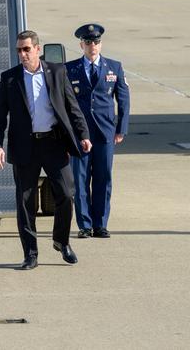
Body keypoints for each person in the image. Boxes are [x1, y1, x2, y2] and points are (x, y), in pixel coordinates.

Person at [0, 30, 92, 271]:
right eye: (19, 50)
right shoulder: (10, 79)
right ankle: (30, 253)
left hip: (53, 143)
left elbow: (72, 107)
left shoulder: (57, 72)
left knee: (67, 194)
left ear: (37, 49)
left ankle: (61, 241)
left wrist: (83, 135)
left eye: (27, 49)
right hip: (25, 146)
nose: (22, 54)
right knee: (26, 202)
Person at [65, 24, 130, 239]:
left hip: (105, 133)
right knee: (80, 178)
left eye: (96, 42)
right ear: (81, 44)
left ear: (101, 44)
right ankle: (85, 225)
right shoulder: (69, 69)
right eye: (89, 42)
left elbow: (123, 99)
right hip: (80, 134)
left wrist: (121, 128)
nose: (93, 46)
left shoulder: (114, 67)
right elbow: (64, 104)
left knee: (103, 178)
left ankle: (100, 224)